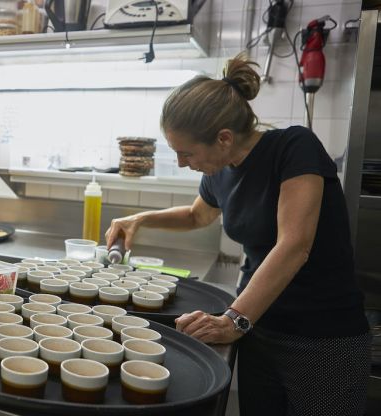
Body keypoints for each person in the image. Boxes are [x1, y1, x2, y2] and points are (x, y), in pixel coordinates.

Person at [105, 54, 371, 415]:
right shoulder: (221, 168)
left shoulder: (294, 148)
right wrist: (140, 218)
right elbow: (197, 215)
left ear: (224, 138)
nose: (184, 163)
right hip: (259, 330)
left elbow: (295, 245)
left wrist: (234, 319)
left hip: (320, 337)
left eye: (187, 153)